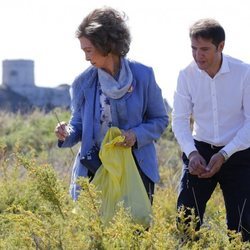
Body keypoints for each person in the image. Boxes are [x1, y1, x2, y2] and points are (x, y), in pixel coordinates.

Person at [54, 7, 168, 204]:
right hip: (95, 169)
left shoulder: (143, 75)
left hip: (136, 169)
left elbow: (160, 120)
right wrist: (66, 132)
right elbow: (78, 125)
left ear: (106, 44)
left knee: (136, 231)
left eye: (88, 50)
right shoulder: (83, 82)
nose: (86, 57)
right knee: (95, 233)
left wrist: (135, 135)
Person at [172, 18, 250, 241]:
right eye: (194, 49)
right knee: (186, 218)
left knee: (243, 226)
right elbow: (179, 120)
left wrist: (225, 154)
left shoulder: (245, 73)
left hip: (239, 152)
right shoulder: (185, 75)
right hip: (200, 150)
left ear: (221, 46)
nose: (198, 55)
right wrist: (192, 153)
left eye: (204, 49)